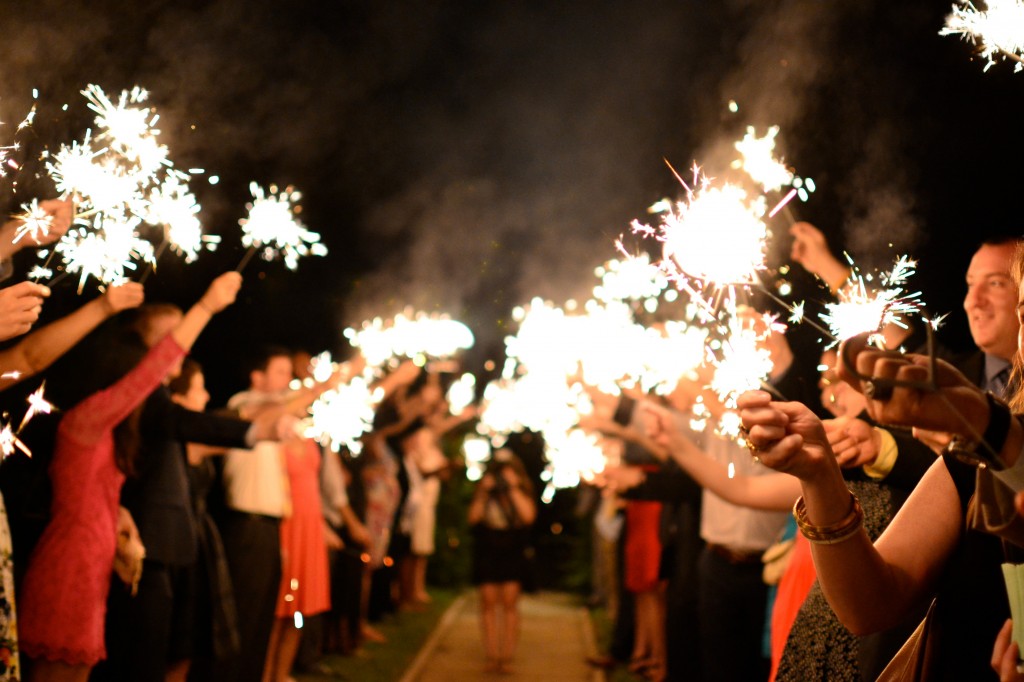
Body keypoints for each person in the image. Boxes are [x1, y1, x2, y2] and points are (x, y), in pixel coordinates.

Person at [17, 272, 241, 681]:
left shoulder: (104, 434)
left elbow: (90, 491)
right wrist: (206, 307)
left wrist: (119, 516)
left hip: (92, 566)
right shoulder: (84, 423)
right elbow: (151, 373)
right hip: (69, 566)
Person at [467, 451, 536, 674]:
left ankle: (506, 657)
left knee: (510, 602)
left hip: (511, 548)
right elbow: (473, 518)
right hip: (488, 547)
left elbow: (528, 517)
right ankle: (491, 656)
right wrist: (484, 492)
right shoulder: (485, 490)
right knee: (487, 602)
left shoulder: (521, 488)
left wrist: (513, 488)